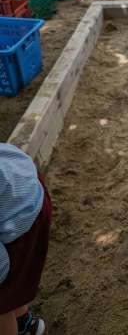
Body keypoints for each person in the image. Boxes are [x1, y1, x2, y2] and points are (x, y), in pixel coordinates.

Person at [0, 143, 52, 335]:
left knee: (2, 302)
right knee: (13, 287)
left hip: (21, 218)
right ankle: (25, 324)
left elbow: (1, 267)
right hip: (25, 181)